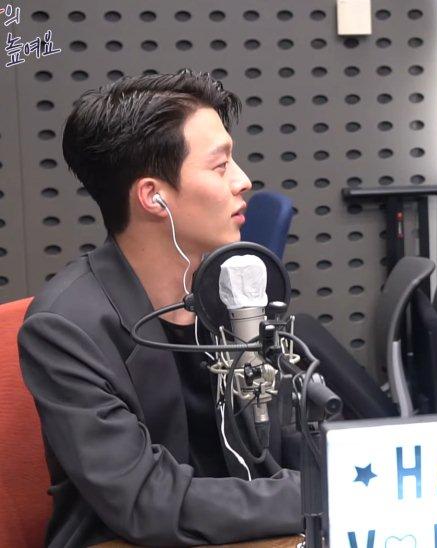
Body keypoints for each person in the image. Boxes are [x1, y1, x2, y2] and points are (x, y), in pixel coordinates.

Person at [17, 70, 302, 547]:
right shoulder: (65, 328)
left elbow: (289, 438)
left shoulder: (235, 291)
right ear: (153, 197)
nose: (243, 181)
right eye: (220, 166)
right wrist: (312, 495)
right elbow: (147, 502)